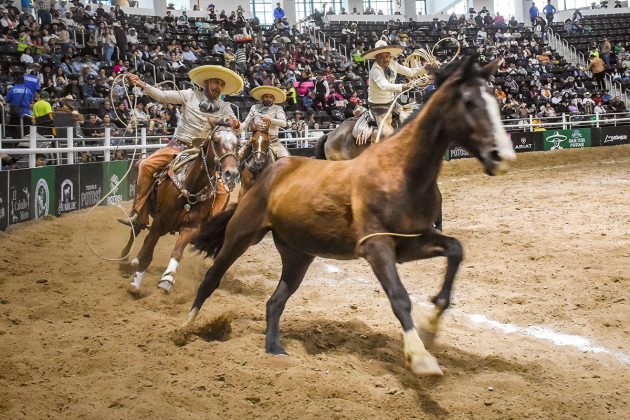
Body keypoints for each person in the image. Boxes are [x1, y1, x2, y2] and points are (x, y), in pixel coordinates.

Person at [119, 65, 243, 228]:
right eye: (216, 83)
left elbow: (238, 128)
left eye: (222, 85)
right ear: (206, 83)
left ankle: (209, 226)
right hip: (178, 146)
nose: (219, 87)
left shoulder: (225, 107)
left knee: (223, 191)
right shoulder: (189, 95)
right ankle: (139, 212)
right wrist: (142, 85)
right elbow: (163, 96)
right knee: (145, 165)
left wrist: (236, 124)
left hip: (203, 156)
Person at [363, 40, 426, 138]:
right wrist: (404, 86)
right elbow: (385, 86)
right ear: (376, 58)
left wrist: (426, 68)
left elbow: (410, 72)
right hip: (378, 106)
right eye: (382, 57)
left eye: (387, 56)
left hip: (391, 102)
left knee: (411, 119)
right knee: (388, 134)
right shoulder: (375, 70)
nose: (385, 59)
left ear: (390, 56)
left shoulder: (393, 63)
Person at [238, 85, 289, 161]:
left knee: (286, 159)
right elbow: (245, 124)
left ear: (273, 99)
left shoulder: (278, 108)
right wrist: (237, 126)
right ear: (262, 98)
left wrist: (270, 119)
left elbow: (284, 123)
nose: (268, 98)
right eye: (266, 96)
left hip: (273, 140)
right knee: (238, 156)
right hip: (255, 140)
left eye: (270, 97)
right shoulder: (254, 107)